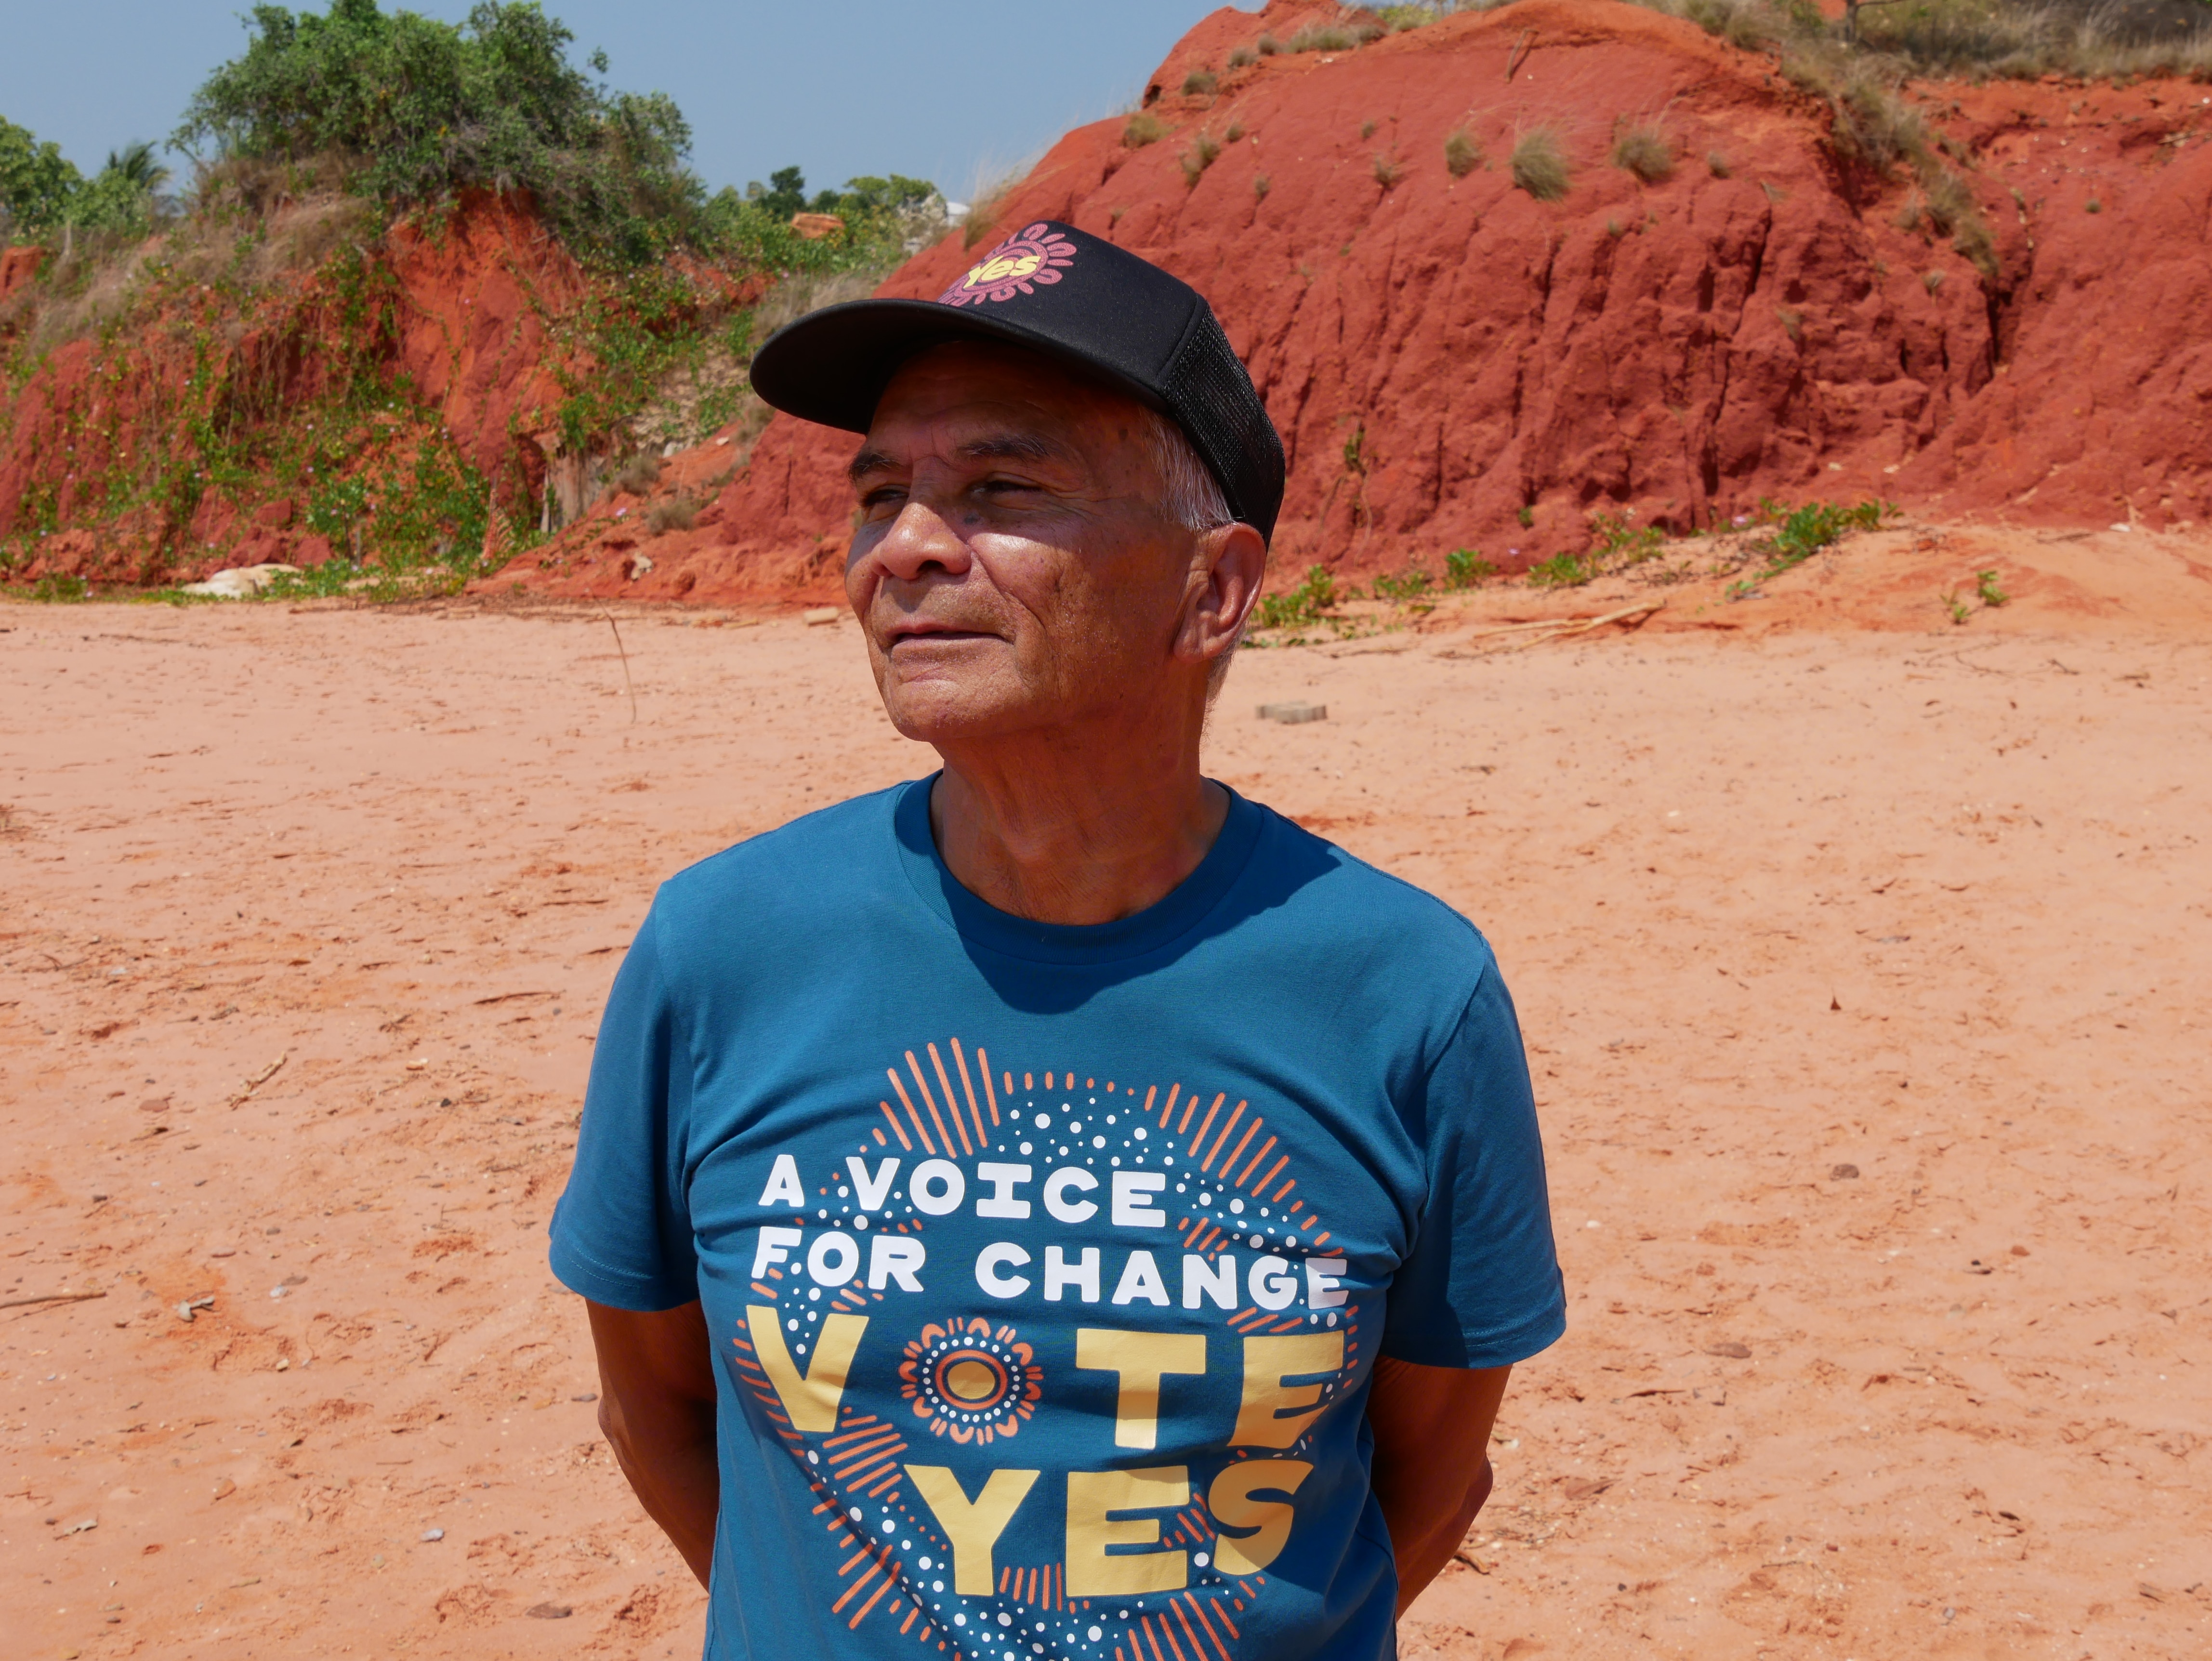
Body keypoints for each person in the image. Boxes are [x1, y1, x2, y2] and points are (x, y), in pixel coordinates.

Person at [548, 220, 1565, 1661]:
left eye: (1001, 487)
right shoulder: (722, 948)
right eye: (882, 492)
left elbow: (1432, 1469)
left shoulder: (1407, 992)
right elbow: (652, 1403)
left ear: (1211, 589)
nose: (905, 548)